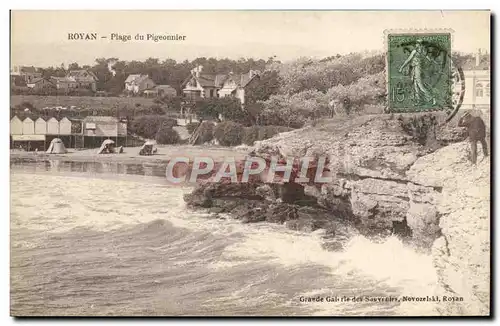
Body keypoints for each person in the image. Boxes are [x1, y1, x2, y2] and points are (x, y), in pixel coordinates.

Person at [398, 39, 437, 106]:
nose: (416, 45)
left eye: (417, 43)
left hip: (417, 69)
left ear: (419, 44)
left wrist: (402, 67)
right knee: (415, 85)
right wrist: (431, 61)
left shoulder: (415, 51)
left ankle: (432, 98)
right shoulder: (423, 52)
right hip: (417, 69)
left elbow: (408, 60)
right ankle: (419, 101)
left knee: (420, 85)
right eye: (416, 43)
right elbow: (428, 59)